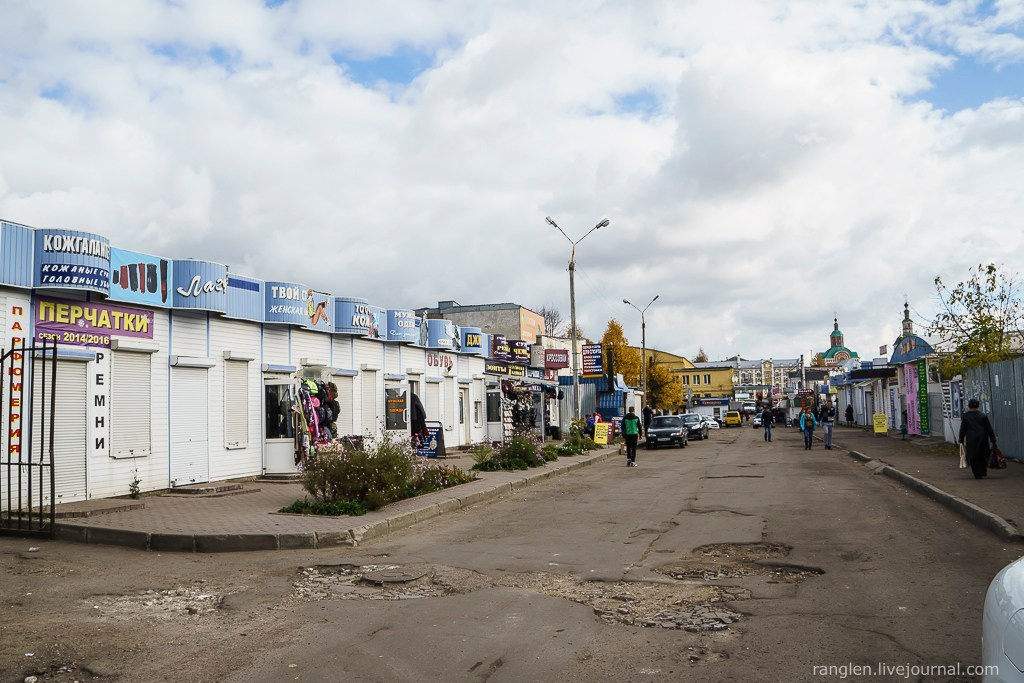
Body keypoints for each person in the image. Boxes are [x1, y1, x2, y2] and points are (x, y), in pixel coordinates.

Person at [959, 398, 997, 480]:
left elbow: (963, 429)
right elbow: (989, 428)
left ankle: (977, 474)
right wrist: (993, 439)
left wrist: (961, 439)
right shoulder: (983, 415)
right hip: (983, 437)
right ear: (978, 406)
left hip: (971, 439)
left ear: (969, 406)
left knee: (973, 456)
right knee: (983, 455)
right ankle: (983, 471)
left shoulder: (966, 416)